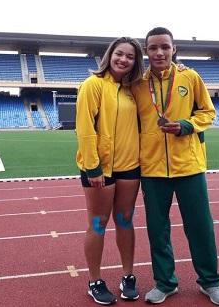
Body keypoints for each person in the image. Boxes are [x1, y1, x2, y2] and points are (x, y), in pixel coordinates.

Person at [131, 27, 219, 306]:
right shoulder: (137, 84)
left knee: (200, 226)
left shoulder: (190, 76)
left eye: (165, 46)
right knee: (157, 229)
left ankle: (210, 282)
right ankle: (165, 283)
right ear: (146, 51)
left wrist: (188, 125)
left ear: (174, 49)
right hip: (151, 169)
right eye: (153, 48)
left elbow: (208, 111)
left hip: (189, 165)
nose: (159, 52)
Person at [75, 37, 144, 305]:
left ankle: (128, 276)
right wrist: (93, 167)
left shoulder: (133, 89)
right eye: (119, 54)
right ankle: (94, 280)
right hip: (99, 169)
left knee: (125, 220)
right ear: (109, 55)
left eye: (130, 56)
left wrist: (178, 66)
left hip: (130, 167)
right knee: (98, 223)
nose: (123, 59)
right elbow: (84, 128)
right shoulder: (93, 85)